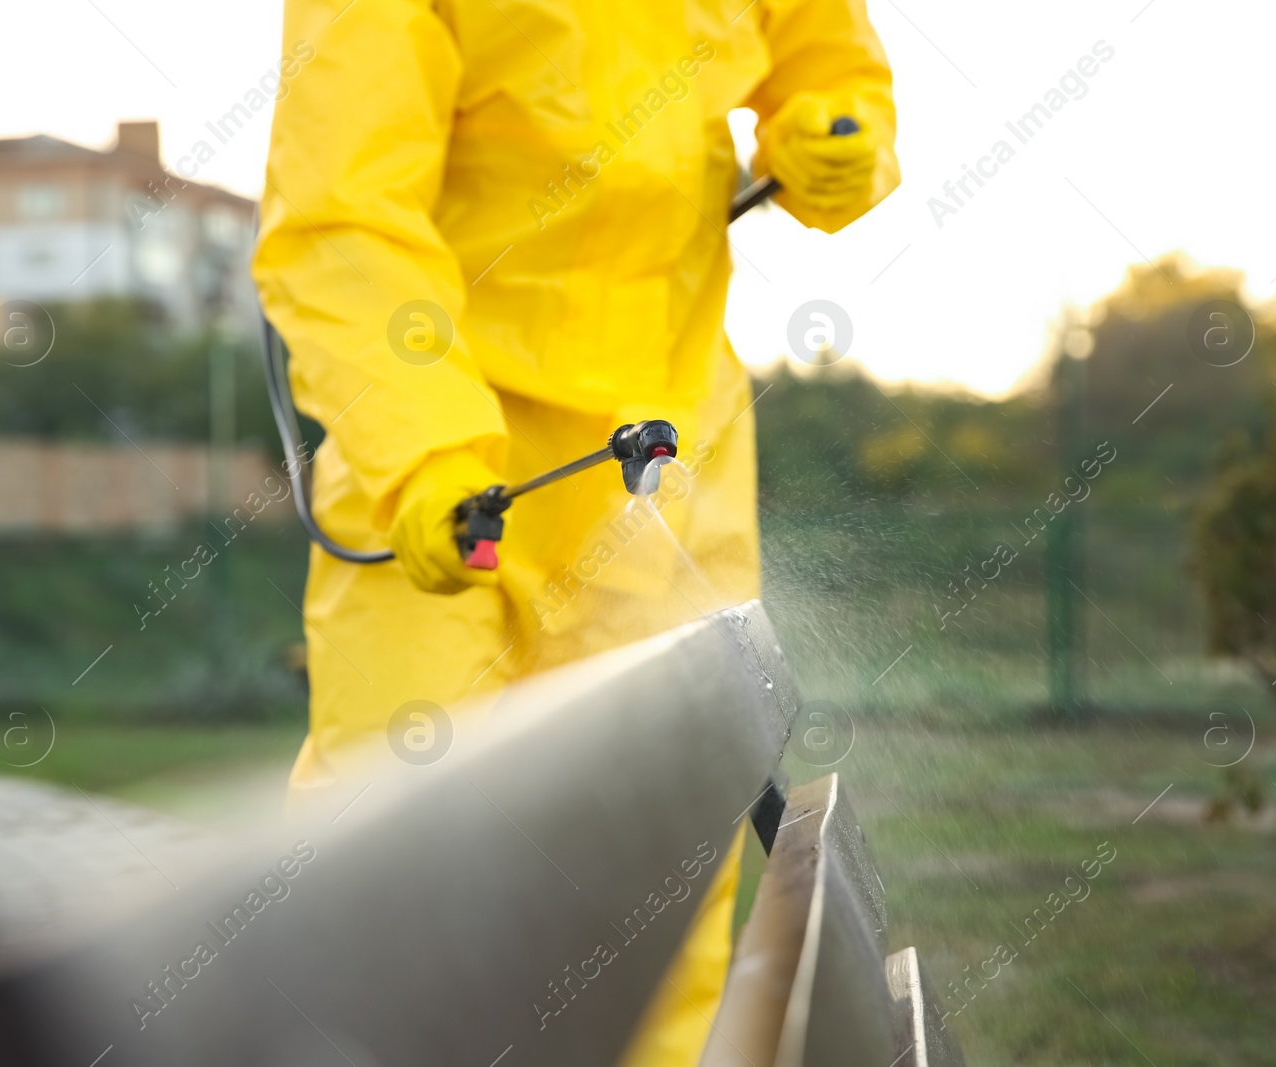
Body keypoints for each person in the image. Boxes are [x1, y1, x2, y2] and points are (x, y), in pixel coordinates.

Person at [253, 0, 899, 1060]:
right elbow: (340, 218)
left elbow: (832, 70)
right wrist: (424, 449)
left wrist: (836, 134)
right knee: (393, 864)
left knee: (654, 879)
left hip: (660, 457)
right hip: (443, 469)